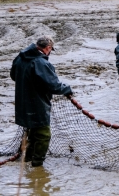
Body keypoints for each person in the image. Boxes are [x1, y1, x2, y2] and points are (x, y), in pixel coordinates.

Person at [10, 36, 72, 167]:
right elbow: (54, 86)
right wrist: (67, 88)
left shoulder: (20, 58)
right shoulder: (41, 63)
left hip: (22, 103)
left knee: (33, 131)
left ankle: (26, 159)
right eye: (50, 50)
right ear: (47, 48)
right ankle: (37, 165)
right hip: (37, 104)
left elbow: (13, 76)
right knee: (44, 134)